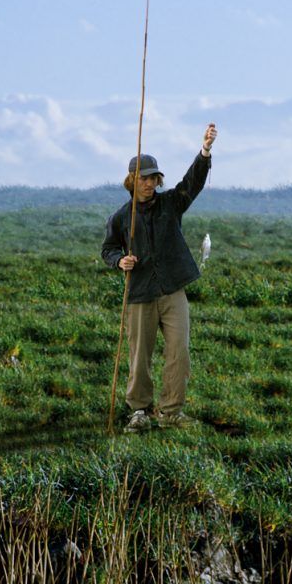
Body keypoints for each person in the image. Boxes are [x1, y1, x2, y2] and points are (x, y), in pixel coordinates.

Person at [101, 124, 217, 429]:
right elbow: (108, 249)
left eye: (154, 178)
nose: (150, 183)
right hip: (139, 293)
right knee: (140, 357)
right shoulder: (121, 217)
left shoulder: (171, 204)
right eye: (144, 178)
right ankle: (139, 411)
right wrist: (120, 260)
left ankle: (170, 412)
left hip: (172, 290)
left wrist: (204, 151)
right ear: (132, 181)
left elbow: (192, 184)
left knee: (179, 351)